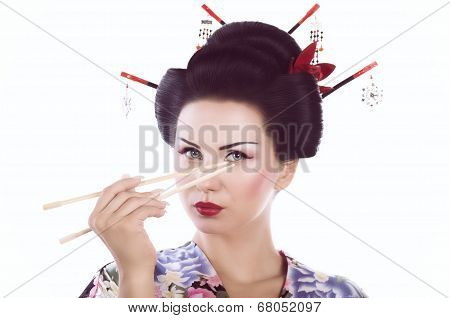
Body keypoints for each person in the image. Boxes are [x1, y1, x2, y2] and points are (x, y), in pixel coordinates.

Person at [79, 21, 368, 298]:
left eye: (236, 155)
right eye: (192, 152)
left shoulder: (337, 297)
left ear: (285, 170)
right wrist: (136, 275)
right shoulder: (119, 282)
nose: (206, 180)